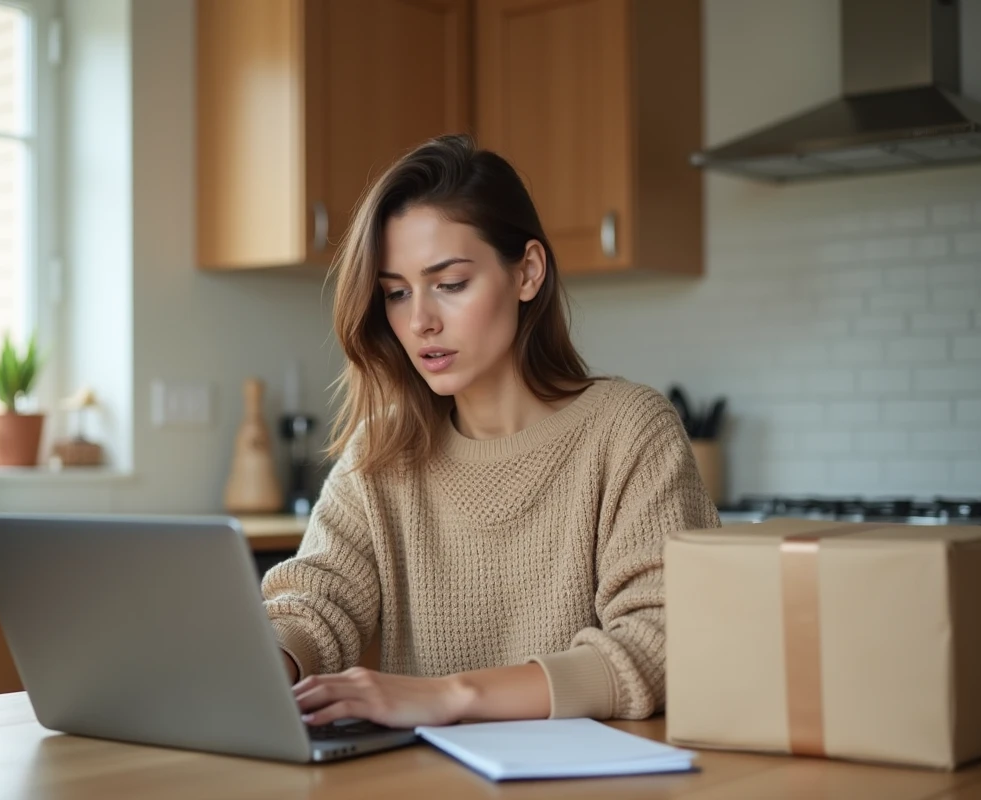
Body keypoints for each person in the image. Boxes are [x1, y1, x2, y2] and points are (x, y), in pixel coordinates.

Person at [262, 134, 719, 730]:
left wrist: (452, 696)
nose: (420, 320)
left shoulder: (628, 430)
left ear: (527, 272)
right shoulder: (384, 447)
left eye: (450, 284)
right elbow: (316, 601)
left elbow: (663, 643)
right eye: (396, 293)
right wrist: (271, 661)